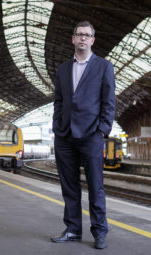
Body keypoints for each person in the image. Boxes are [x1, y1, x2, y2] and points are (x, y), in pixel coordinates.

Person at [51, 21, 115, 250]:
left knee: (95, 185)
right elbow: (58, 100)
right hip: (65, 135)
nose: (82, 38)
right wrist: (57, 125)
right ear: (73, 38)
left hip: (91, 135)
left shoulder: (104, 67)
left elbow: (109, 103)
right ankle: (72, 230)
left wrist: (102, 130)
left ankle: (99, 232)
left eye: (87, 35)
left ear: (92, 40)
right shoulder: (63, 69)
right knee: (69, 187)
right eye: (79, 34)